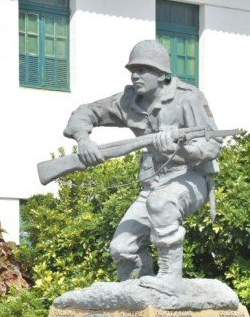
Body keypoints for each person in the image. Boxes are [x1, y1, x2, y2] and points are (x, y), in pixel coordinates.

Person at [63, 40, 220, 295]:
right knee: (122, 248)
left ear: (161, 75)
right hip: (154, 182)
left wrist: (180, 149)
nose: (135, 76)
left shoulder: (188, 98)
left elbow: (212, 143)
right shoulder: (129, 101)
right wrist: (84, 140)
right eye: (132, 70)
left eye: (143, 70)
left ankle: (171, 278)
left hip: (189, 176)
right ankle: (139, 296)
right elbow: (86, 112)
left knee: (161, 202)